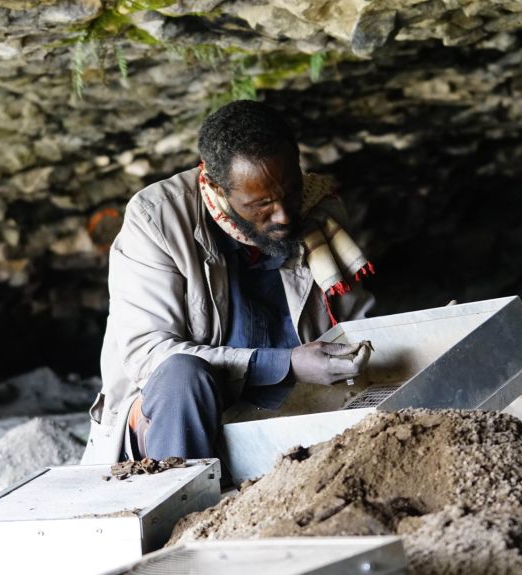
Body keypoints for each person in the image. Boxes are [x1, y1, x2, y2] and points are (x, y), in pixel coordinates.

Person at [82, 100, 374, 465]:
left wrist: (417, 333)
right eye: (261, 203)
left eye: (290, 192)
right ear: (218, 188)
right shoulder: (156, 219)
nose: (283, 215)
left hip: (289, 408)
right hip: (183, 418)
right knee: (181, 375)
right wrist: (287, 364)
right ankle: (180, 503)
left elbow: (354, 323)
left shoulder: (318, 208)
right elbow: (148, 354)